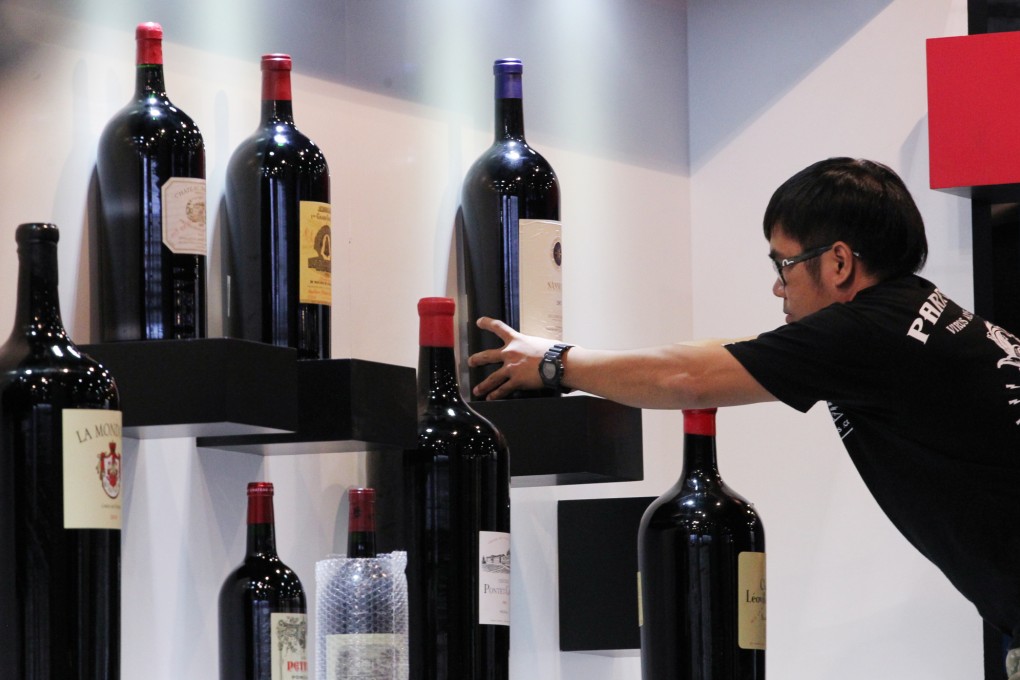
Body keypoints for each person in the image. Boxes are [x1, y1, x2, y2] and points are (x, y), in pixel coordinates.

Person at [468, 157, 1020, 678]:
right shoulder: (907, 320)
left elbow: (688, 377)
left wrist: (555, 363)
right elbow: (735, 353)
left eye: (783, 263)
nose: (778, 285)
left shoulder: (870, 335)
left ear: (839, 262)